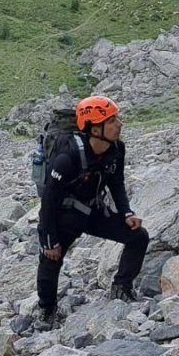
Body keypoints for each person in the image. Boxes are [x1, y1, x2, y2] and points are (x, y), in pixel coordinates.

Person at [36, 95, 150, 321]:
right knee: (51, 258)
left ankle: (121, 287)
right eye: (111, 121)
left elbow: (117, 183)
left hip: (94, 211)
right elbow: (48, 202)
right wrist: (48, 239)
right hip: (65, 216)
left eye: (116, 119)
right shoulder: (66, 158)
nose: (119, 125)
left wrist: (127, 212)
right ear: (94, 129)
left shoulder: (117, 149)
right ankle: (47, 311)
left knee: (138, 237)